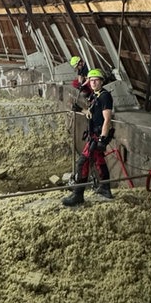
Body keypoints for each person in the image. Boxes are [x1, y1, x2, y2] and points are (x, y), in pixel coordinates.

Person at [62, 68, 114, 207]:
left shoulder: (104, 96)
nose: (93, 82)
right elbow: (91, 114)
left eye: (96, 80)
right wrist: (80, 110)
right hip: (94, 135)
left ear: (102, 81)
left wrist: (103, 139)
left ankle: (78, 194)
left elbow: (107, 119)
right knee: (99, 161)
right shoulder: (95, 96)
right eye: (91, 80)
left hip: (97, 137)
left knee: (82, 163)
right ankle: (105, 188)